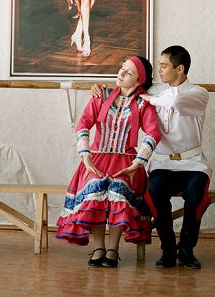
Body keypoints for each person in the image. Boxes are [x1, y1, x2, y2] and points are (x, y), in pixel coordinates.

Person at [92, 45, 211, 269]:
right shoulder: (156, 89)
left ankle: (186, 250)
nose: (160, 69)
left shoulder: (198, 93)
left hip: (194, 163)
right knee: (155, 193)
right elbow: (127, 86)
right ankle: (167, 250)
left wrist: (148, 97)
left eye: (164, 65)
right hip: (163, 162)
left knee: (195, 196)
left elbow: (175, 103)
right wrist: (98, 87)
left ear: (180, 68)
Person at [56, 56, 161, 267]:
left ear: (140, 81)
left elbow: (153, 133)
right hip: (97, 157)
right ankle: (98, 247)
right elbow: (83, 125)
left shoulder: (144, 103)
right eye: (122, 68)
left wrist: (139, 162)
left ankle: (113, 248)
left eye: (129, 72)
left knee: (117, 189)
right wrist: (85, 155)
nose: (121, 73)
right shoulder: (101, 95)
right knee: (96, 188)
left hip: (128, 162)